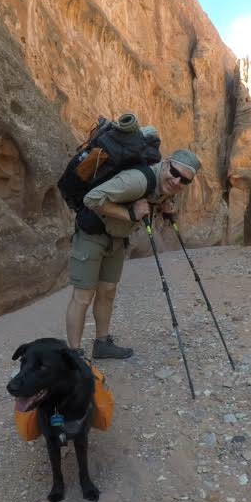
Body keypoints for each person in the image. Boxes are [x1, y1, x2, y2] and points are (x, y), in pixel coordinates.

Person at [65, 132, 201, 360]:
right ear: (165, 163)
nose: (177, 181)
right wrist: (129, 213)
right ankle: (74, 356)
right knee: (83, 296)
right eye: (175, 173)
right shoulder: (138, 180)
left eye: (185, 180)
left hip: (117, 239)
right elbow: (91, 198)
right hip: (91, 235)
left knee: (107, 292)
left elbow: (147, 202)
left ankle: (102, 344)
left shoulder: (163, 188)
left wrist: (163, 206)